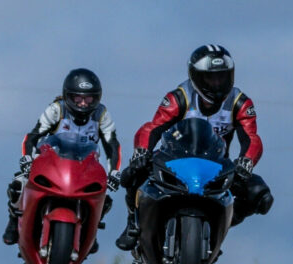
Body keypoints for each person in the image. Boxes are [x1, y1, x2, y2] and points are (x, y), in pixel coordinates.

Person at [115, 44, 274, 251]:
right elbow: (152, 128)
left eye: (222, 77)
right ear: (196, 77)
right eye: (210, 78)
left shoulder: (240, 102)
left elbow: (251, 138)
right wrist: (142, 151)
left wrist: (246, 161)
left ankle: (223, 222)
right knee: (133, 173)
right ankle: (132, 222)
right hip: (174, 160)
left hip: (216, 166)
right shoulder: (179, 97)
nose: (217, 84)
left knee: (261, 196)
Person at [2, 68, 122, 253]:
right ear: (68, 96)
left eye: (88, 98)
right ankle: (13, 220)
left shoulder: (102, 114)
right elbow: (33, 136)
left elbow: (112, 145)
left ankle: (91, 231)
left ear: (97, 98)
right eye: (77, 98)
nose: (83, 103)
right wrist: (27, 158)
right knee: (18, 184)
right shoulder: (56, 109)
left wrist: (114, 172)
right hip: (52, 160)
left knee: (105, 198)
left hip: (85, 165)